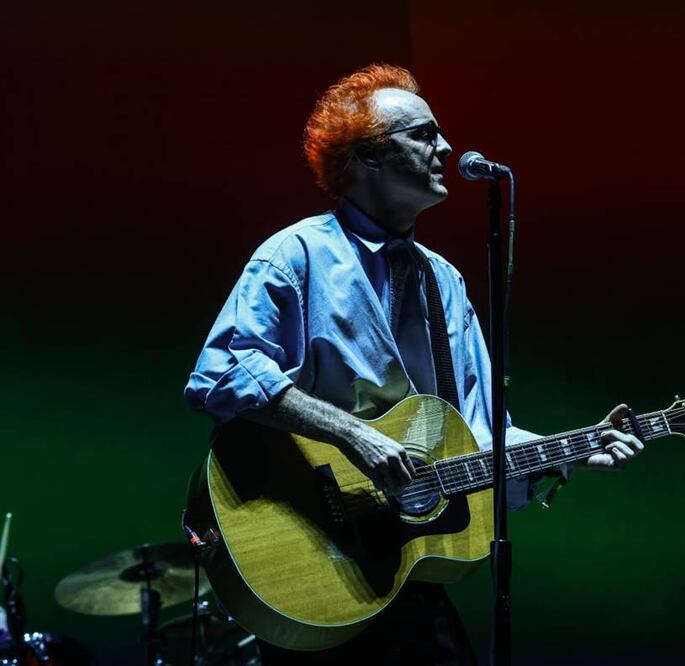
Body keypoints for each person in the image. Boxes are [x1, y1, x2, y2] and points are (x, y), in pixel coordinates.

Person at [184, 63, 643, 664]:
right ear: (366, 157)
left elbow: (479, 436)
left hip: (407, 574)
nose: (447, 148)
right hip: (312, 565)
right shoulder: (295, 255)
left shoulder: (443, 282)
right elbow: (222, 372)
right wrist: (353, 436)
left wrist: (570, 449)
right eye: (423, 135)